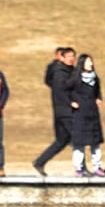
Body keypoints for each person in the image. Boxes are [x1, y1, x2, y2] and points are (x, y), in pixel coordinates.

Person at [33, 47, 76, 175]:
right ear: (61, 57)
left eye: (73, 56)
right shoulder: (59, 72)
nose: (71, 59)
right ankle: (81, 168)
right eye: (68, 56)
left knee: (62, 140)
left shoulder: (68, 71)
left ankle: (40, 162)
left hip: (61, 110)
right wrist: (70, 103)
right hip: (64, 111)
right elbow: (60, 91)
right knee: (77, 139)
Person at [67, 53, 105, 176]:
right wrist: (71, 102)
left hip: (92, 113)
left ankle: (98, 167)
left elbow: (98, 91)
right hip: (79, 114)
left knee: (95, 143)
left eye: (91, 61)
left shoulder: (95, 78)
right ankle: (79, 168)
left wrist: (99, 98)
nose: (91, 64)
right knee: (79, 143)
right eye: (88, 61)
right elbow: (65, 91)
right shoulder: (75, 77)